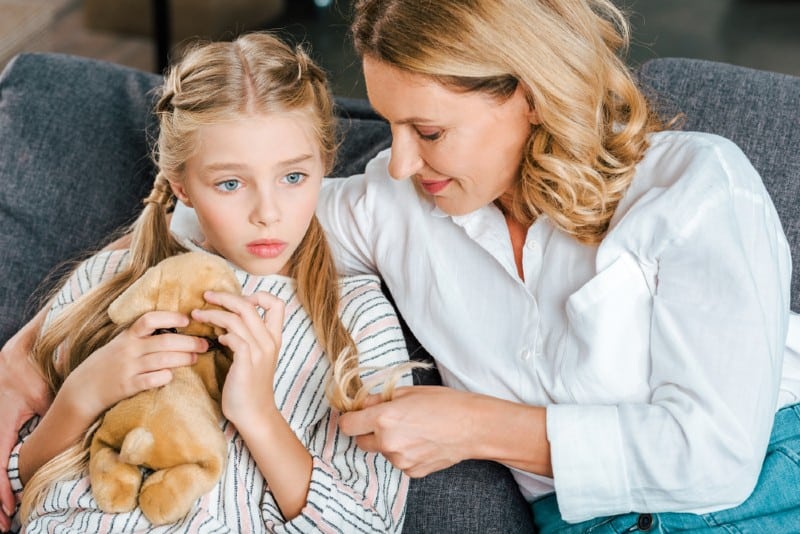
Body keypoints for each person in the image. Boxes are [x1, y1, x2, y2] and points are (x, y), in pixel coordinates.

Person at [3, 0, 800, 532]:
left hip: (767, 481)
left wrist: (478, 427)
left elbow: (714, 461)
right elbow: (194, 223)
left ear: (529, 96)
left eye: (429, 130)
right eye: (389, 125)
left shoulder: (696, 185)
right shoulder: (397, 206)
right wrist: (23, 363)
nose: (396, 160)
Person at [3, 32, 413, 533]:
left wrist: (258, 415)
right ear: (182, 188)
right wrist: (81, 396)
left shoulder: (356, 318)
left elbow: (369, 525)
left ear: (323, 167)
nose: (267, 214)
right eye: (230, 184)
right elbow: (18, 491)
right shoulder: (111, 284)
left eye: (292, 178)